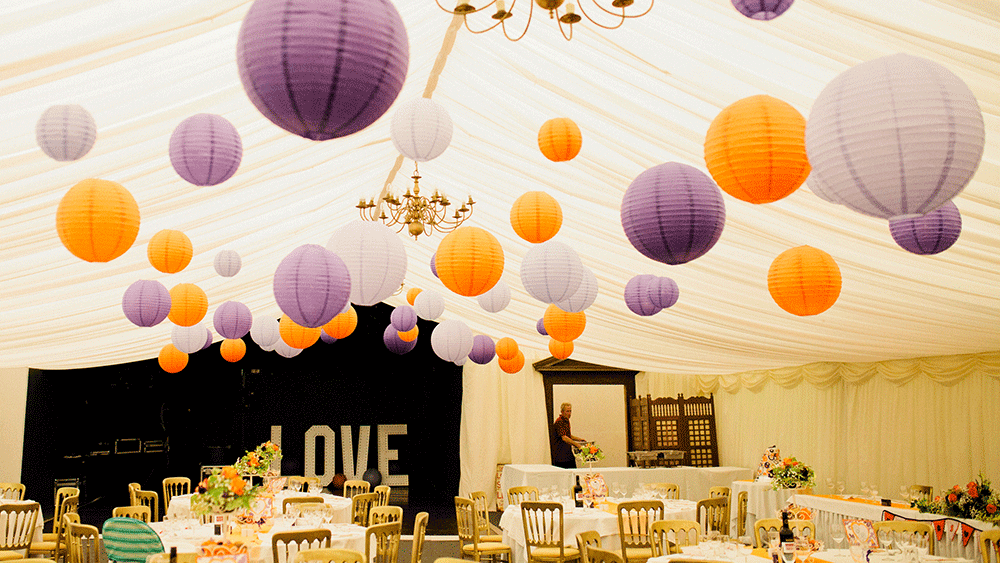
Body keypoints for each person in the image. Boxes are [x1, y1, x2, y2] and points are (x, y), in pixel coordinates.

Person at [550, 402, 586, 469]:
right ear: (562, 412)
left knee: (573, 471)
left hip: (567, 453)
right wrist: (577, 445)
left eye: (570, 411)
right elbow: (564, 438)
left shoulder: (566, 421)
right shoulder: (560, 421)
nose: (569, 413)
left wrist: (579, 439)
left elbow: (568, 435)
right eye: (567, 411)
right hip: (560, 455)